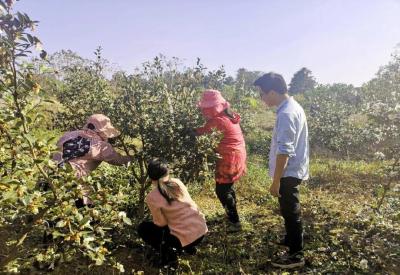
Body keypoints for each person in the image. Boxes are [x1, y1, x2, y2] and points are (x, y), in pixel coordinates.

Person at [254, 72, 309, 268]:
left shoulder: (286, 114)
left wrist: (276, 181)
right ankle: (292, 239)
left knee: (291, 210)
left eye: (262, 94)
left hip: (288, 172)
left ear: (272, 92)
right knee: (288, 209)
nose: (261, 98)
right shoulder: (291, 107)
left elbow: (284, 151)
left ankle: (296, 255)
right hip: (293, 169)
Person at [137, 159, 207, 268]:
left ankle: (171, 255)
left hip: (185, 238)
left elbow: (161, 223)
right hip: (201, 231)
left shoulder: (151, 197)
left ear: (150, 178)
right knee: (178, 222)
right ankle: (188, 248)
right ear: (168, 173)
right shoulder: (177, 182)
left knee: (143, 228)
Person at [195, 89, 247, 232]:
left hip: (229, 158)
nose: (204, 112)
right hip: (235, 156)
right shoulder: (228, 117)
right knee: (228, 188)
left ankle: (234, 222)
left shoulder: (218, 121)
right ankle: (231, 216)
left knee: (222, 190)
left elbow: (200, 132)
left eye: (207, 108)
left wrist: (187, 130)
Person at [54, 114, 131, 206]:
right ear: (102, 130)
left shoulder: (69, 135)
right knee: (81, 210)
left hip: (51, 172)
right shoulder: (101, 146)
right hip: (73, 182)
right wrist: (135, 158)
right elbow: (118, 160)